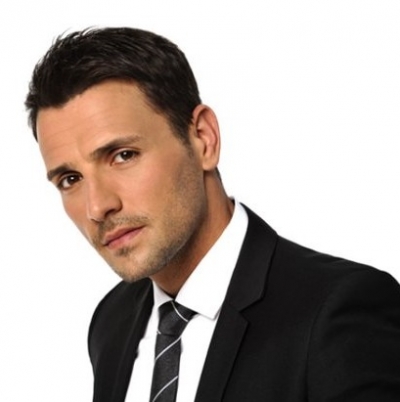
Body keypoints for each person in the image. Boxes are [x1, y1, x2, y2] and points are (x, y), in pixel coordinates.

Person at [25, 27, 400, 402]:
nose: (97, 207)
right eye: (70, 179)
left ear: (204, 139)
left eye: (123, 156)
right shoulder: (111, 321)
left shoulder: (338, 310)